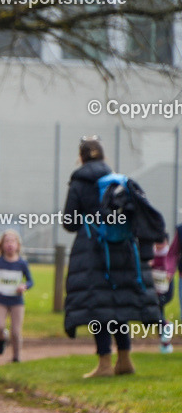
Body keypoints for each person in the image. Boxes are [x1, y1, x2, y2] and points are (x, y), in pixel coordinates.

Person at [62, 136, 160, 378]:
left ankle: (104, 363)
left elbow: (70, 223)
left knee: (100, 307)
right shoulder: (118, 180)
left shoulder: (79, 182)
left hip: (93, 252)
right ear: (104, 157)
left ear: (81, 157)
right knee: (119, 303)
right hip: (123, 251)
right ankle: (125, 359)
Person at [0, 229, 33, 362]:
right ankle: (2, 338)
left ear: (18, 245)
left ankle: (16, 357)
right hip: (1, 300)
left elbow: (30, 281)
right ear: (2, 245)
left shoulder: (22, 264)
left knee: (16, 332)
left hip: (17, 302)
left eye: (12, 241)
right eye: (6, 241)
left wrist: (24, 286)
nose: (10, 244)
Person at [150, 235, 175, 354]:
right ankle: (165, 344)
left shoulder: (168, 254)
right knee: (157, 314)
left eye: (161, 243)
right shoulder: (152, 253)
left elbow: (169, 269)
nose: (158, 245)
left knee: (157, 313)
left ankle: (166, 327)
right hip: (155, 289)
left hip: (165, 289)